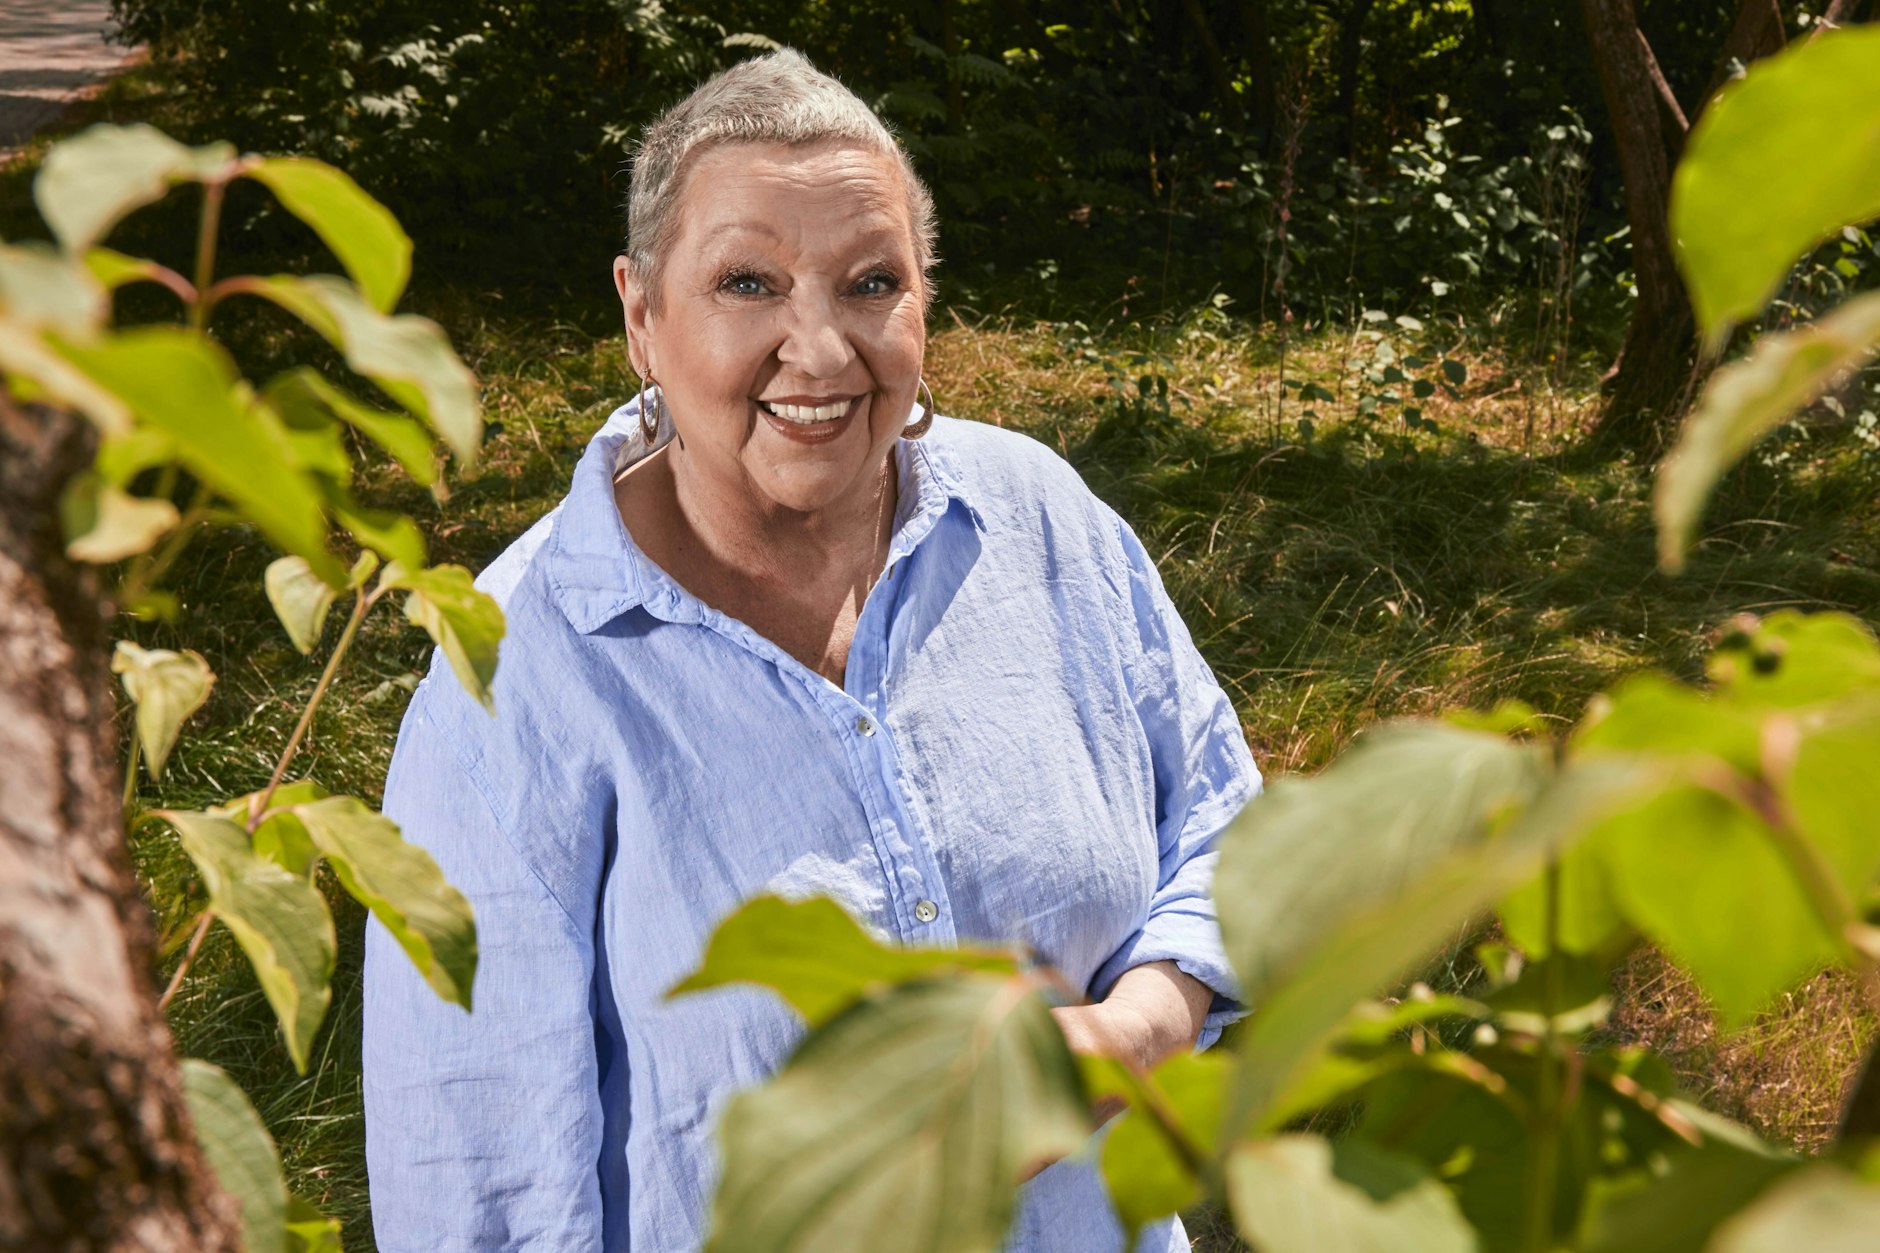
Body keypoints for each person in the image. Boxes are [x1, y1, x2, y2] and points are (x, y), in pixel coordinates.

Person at [363, 48, 1260, 1253]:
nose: (822, 348)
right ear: (640, 314)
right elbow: (481, 1180)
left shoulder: (1037, 516)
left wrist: (1141, 1025)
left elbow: (1221, 820)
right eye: (748, 281)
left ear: (922, 301)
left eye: (868, 282)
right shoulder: (520, 665)